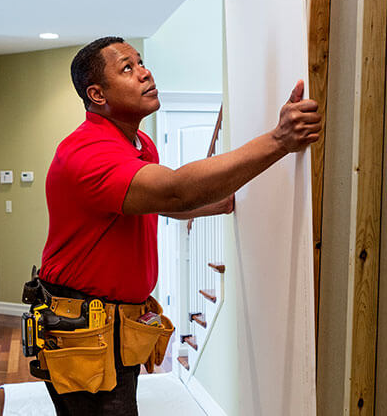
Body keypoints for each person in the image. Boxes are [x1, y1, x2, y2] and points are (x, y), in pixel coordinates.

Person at [37, 36, 321, 415]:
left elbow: (156, 203)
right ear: (97, 94)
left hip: (115, 324)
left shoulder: (138, 144)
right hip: (83, 327)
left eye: (141, 62)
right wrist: (279, 140)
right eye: (127, 68)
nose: (145, 72)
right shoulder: (86, 153)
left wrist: (214, 204)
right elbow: (174, 192)